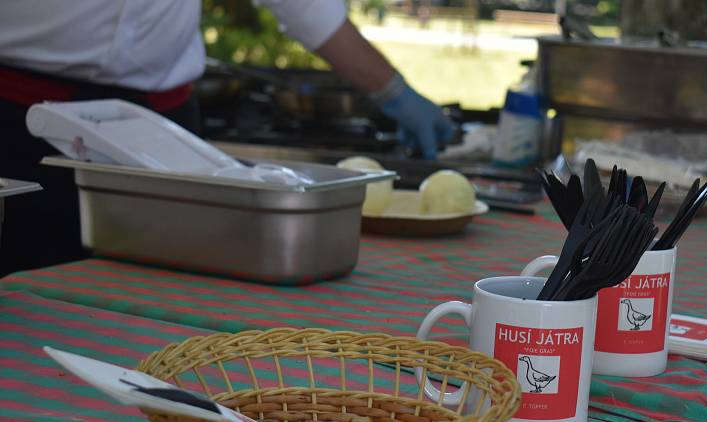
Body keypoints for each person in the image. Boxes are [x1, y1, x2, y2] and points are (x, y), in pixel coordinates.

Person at [0, 0, 454, 276]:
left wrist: (391, 89)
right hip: (19, 119)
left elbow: (303, 7)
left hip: (168, 131)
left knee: (170, 300)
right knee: (24, 306)